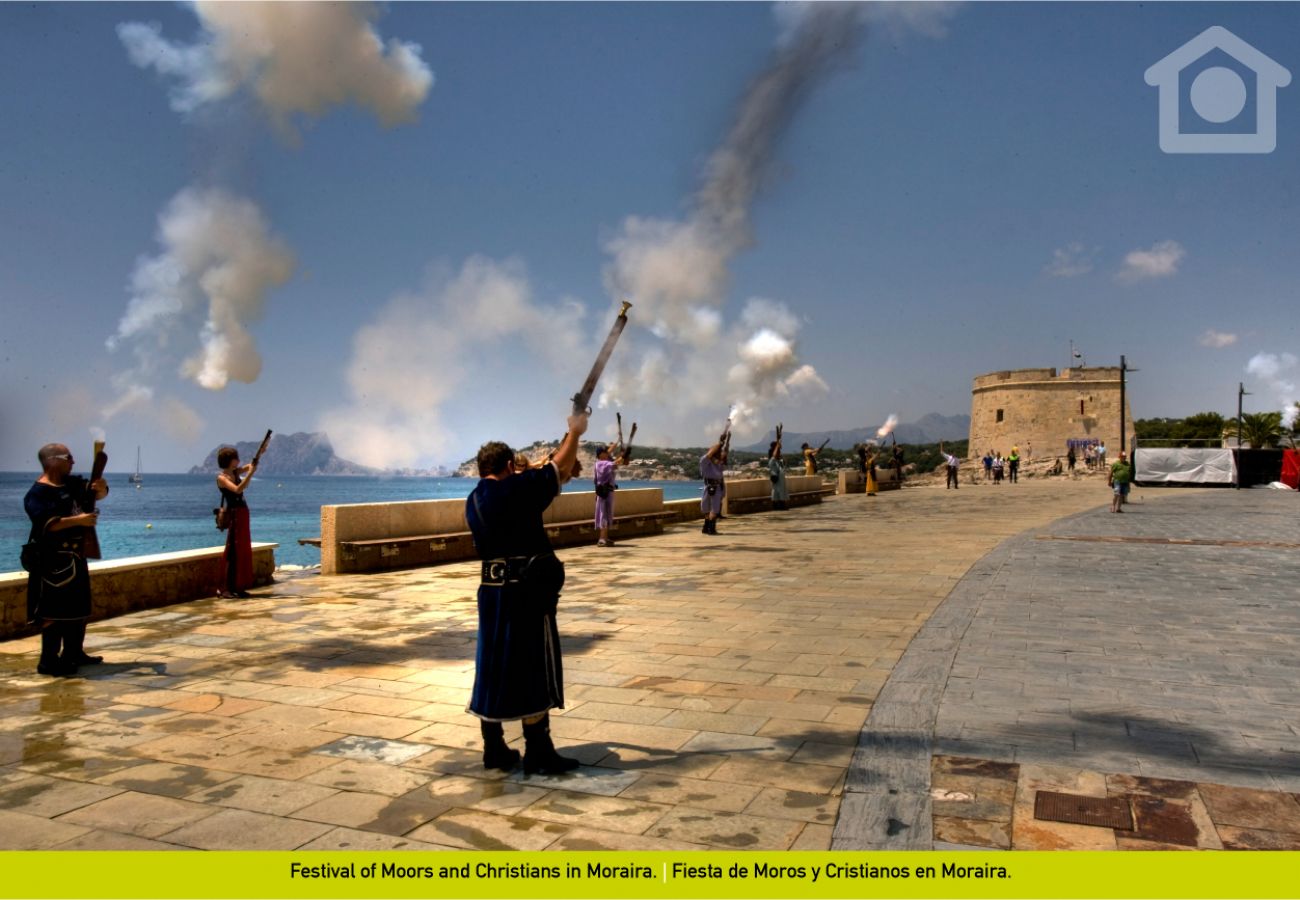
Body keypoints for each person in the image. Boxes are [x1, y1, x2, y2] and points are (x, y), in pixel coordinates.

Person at [465, 411, 588, 775]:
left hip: (491, 591)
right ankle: (538, 751)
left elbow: (537, 477)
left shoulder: (474, 499)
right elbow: (558, 466)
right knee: (533, 663)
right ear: (507, 464)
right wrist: (575, 432)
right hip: (524, 593)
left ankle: (494, 748)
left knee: (492, 666)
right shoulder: (516, 490)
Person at [24, 443, 109, 677]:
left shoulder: (71, 484)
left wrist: (101, 488)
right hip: (52, 561)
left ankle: (73, 654)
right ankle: (48, 661)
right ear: (53, 460)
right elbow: (47, 523)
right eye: (68, 457)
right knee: (53, 613)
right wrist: (80, 521)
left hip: (75, 556)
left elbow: (96, 493)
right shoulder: (37, 493)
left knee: (78, 609)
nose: (73, 461)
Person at [216, 447, 257, 599]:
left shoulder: (235, 472)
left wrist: (256, 459)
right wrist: (251, 472)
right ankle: (224, 588)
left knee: (242, 550)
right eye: (235, 458)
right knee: (232, 550)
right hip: (234, 515)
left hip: (243, 513)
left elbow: (249, 466)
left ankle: (238, 585)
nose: (238, 460)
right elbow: (238, 489)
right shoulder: (222, 478)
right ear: (228, 460)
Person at [593, 440, 625, 547]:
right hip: (604, 493)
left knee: (606, 514)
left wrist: (616, 443)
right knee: (603, 515)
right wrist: (624, 455)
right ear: (601, 455)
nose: (607, 453)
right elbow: (616, 463)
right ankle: (602, 539)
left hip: (607, 492)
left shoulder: (603, 462)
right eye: (605, 452)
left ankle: (605, 538)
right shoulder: (601, 464)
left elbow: (609, 454)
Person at [700, 439, 727, 534]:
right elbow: (710, 453)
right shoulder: (704, 461)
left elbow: (724, 455)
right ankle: (707, 526)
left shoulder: (718, 464)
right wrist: (719, 444)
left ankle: (711, 527)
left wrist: (723, 444)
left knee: (715, 509)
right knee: (705, 508)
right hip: (708, 486)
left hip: (717, 487)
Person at [768, 440, 789, 510]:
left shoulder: (779, 461)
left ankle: (781, 504)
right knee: (777, 492)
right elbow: (774, 455)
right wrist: (777, 446)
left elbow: (783, 467)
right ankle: (777, 505)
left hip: (781, 480)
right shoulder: (772, 460)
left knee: (781, 491)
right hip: (776, 479)